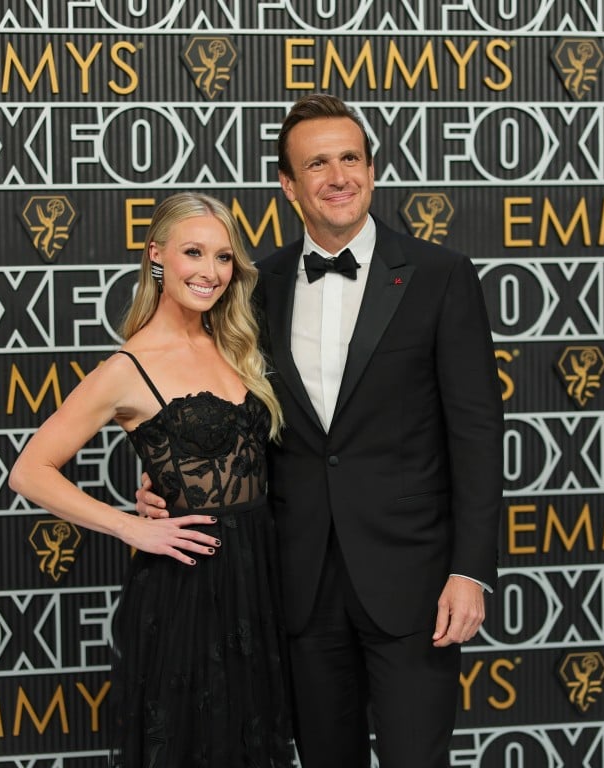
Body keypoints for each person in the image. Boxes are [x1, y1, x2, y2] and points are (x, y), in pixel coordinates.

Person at [137, 95, 504, 768]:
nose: (338, 176)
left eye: (351, 159)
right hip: (295, 578)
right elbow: (217, 403)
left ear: (370, 168)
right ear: (288, 185)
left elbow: (477, 434)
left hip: (415, 579)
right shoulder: (254, 285)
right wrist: (167, 476)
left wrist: (470, 571)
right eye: (317, 164)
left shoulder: (442, 276)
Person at [9, 192, 292, 768]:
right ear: (156, 255)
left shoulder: (236, 342)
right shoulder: (127, 367)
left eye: (222, 256)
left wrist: (164, 472)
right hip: (188, 587)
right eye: (194, 252)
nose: (210, 272)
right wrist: (129, 528)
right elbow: (29, 471)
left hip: (260, 577)